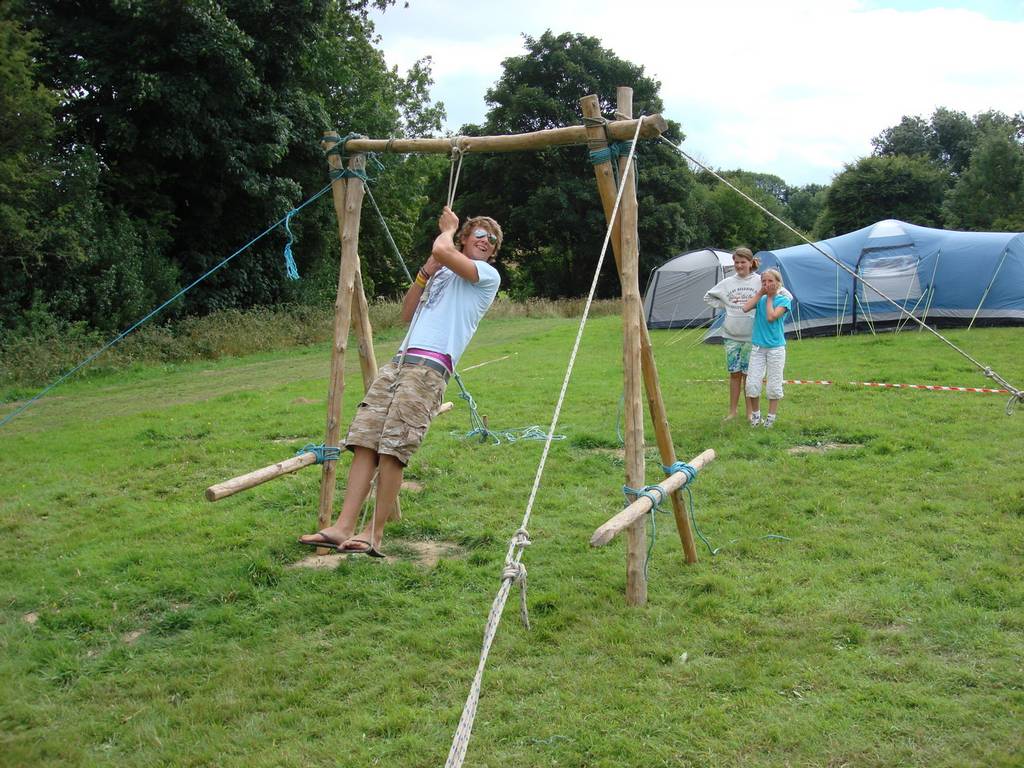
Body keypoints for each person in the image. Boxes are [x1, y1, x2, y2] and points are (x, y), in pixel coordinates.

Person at [299, 206, 502, 556]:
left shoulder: (485, 275)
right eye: (480, 234)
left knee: (393, 448)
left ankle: (372, 534)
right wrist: (426, 272)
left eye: (493, 240)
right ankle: (342, 526)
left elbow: (442, 250)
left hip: (429, 369)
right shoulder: (442, 271)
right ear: (467, 239)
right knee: (365, 440)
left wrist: (448, 231)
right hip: (398, 363)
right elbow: (407, 312)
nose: (487, 242)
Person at [703, 247, 761, 420]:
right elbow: (708, 297)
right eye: (736, 262)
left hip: (752, 336)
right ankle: (732, 411)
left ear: (750, 263)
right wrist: (726, 305)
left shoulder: (759, 281)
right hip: (731, 336)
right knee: (734, 375)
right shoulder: (728, 282)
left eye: (743, 262)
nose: (739, 265)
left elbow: (780, 295)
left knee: (749, 376)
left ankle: (750, 412)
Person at [742, 269, 791, 428]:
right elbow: (745, 307)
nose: (767, 284)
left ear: (778, 283)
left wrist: (769, 298)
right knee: (752, 383)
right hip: (758, 347)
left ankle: (771, 418)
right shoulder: (760, 299)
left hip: (776, 348)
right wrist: (760, 294)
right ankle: (756, 416)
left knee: (774, 384)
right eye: (764, 282)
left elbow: (771, 317)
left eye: (770, 281)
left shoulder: (784, 301)